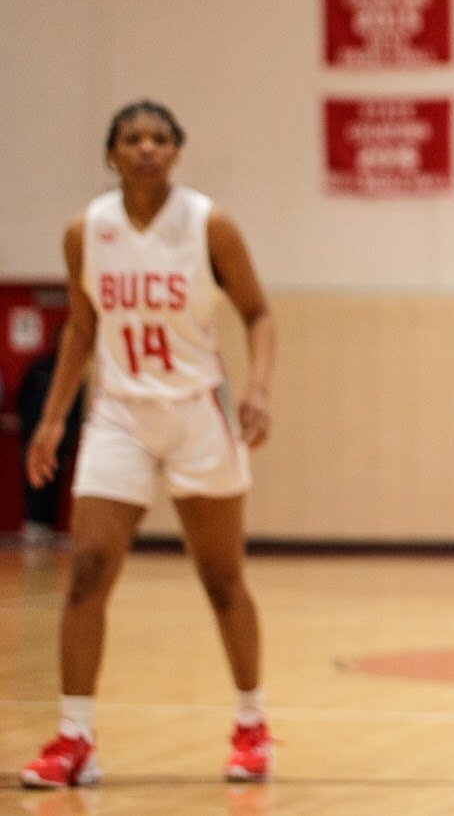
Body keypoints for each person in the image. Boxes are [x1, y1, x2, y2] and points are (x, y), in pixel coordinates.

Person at [19, 101, 277, 790]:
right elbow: (79, 328)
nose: (146, 148)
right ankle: (75, 737)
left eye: (159, 138)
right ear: (111, 153)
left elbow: (257, 313)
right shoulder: (88, 231)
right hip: (120, 415)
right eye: (132, 138)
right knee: (88, 571)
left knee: (222, 579)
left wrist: (258, 391)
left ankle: (252, 725)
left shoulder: (208, 223)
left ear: (176, 152)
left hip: (199, 413)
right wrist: (51, 421)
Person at [17, 332, 86, 549]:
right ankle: (34, 524)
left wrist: (67, 429)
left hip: (62, 437)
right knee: (34, 477)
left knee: (54, 479)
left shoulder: (76, 377)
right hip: (34, 431)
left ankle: (49, 526)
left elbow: (78, 407)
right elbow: (22, 398)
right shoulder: (38, 368)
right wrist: (33, 424)